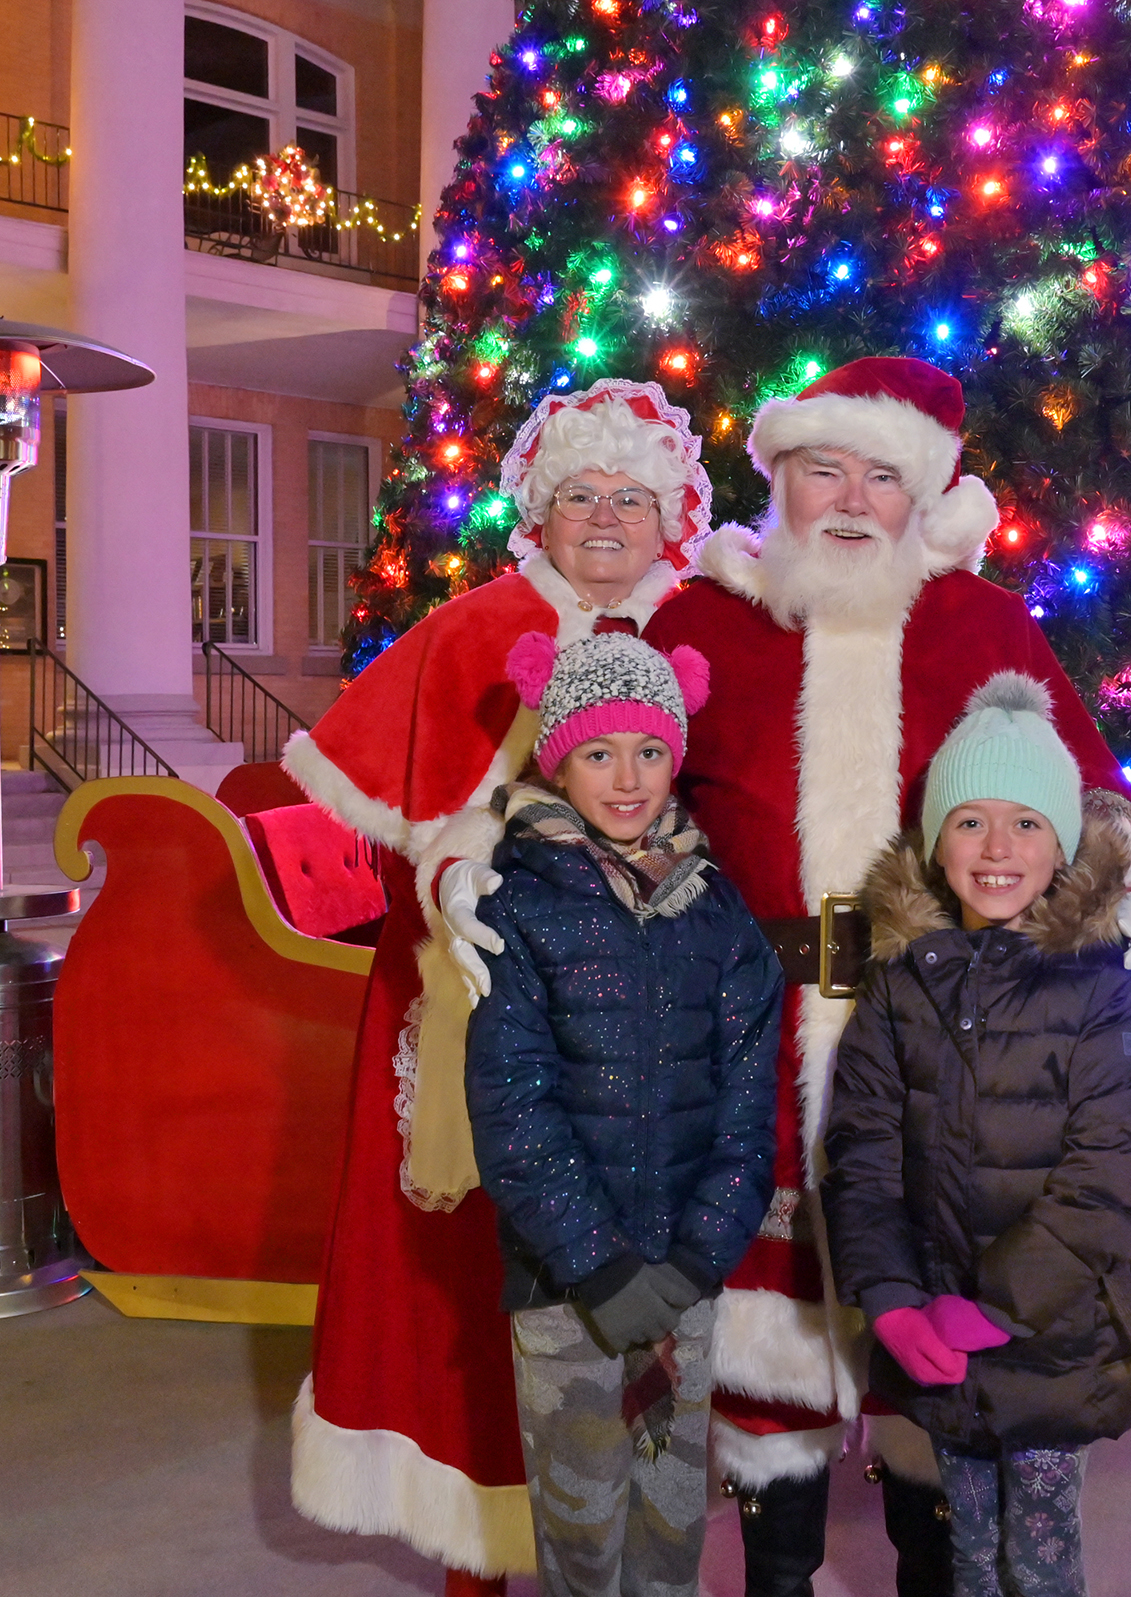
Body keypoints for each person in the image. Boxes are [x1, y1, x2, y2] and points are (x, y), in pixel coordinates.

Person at [639, 356, 1131, 1596]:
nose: (846, 497)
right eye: (820, 467)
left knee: (934, 1329)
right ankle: (778, 1570)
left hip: (944, 1038)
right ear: (778, 479)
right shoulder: (701, 622)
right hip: (745, 1038)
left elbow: (1092, 797)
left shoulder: (984, 624)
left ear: (923, 492)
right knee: (764, 1344)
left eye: (879, 474)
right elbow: (615, 789)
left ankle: (932, 1558)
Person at [283, 381, 713, 1590]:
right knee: (473, 1293)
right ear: (541, 507)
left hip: (656, 1026)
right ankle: (478, 1542)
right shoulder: (472, 630)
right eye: (581, 496)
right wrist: (454, 879)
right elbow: (389, 832)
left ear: (672, 508)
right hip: (482, 1013)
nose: (607, 519)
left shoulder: (708, 627)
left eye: (633, 496)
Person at [823, 673, 1131, 1597]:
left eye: (1026, 822)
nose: (998, 847)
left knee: (1040, 1553)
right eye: (970, 820)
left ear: (1061, 843)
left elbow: (1108, 1171)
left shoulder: (1099, 984)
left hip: (1050, 1338)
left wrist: (999, 1304)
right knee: (967, 1551)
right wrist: (892, 1294)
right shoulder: (902, 985)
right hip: (935, 1333)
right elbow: (863, 1151)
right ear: (936, 843)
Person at [466, 630, 783, 1597]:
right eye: (600, 753)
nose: (627, 778)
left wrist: (693, 1261)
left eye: (650, 751)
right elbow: (515, 1106)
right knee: (583, 1530)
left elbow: (745, 1110)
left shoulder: (717, 912)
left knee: (669, 1527)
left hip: (681, 1284)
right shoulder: (516, 906)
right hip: (570, 1289)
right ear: (558, 760)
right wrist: (600, 1266)